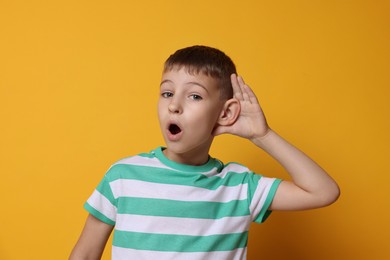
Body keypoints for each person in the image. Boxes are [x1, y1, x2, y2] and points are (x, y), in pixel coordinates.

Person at [69, 45, 340, 260]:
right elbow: (85, 254)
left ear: (225, 113)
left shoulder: (239, 187)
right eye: (166, 93)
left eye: (194, 96)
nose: (174, 105)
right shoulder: (122, 177)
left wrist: (263, 135)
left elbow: (323, 191)